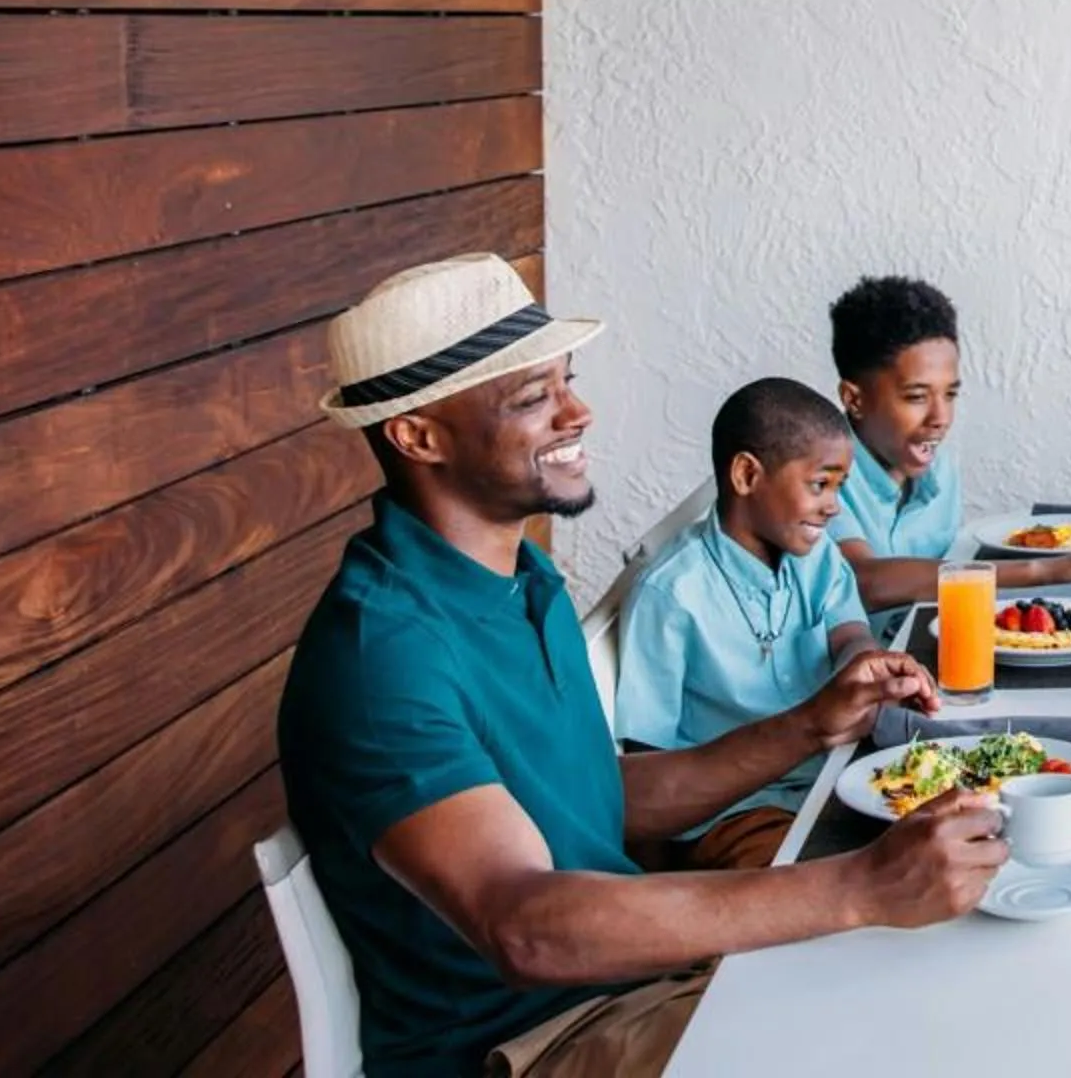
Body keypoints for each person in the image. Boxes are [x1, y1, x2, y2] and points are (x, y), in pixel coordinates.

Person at [278, 255, 1006, 1078]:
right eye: (532, 398)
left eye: (567, 381)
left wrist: (809, 725)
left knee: (959, 980)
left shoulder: (523, 581)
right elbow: (526, 926)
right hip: (534, 1041)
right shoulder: (383, 655)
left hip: (634, 986)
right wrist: (859, 888)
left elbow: (600, 795)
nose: (577, 411)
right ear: (419, 436)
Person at [613, 378, 875, 871]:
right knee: (825, 886)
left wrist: (865, 663)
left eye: (839, 488)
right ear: (747, 474)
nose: (834, 506)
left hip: (826, 779)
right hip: (733, 815)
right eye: (820, 484)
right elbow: (646, 767)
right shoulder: (671, 593)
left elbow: (849, 631)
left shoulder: (814, 556)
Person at [825, 274, 1071, 611]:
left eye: (950, 394)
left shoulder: (940, 467)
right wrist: (1052, 569)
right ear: (855, 400)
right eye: (916, 397)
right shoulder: (820, 473)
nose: (940, 417)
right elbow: (864, 580)